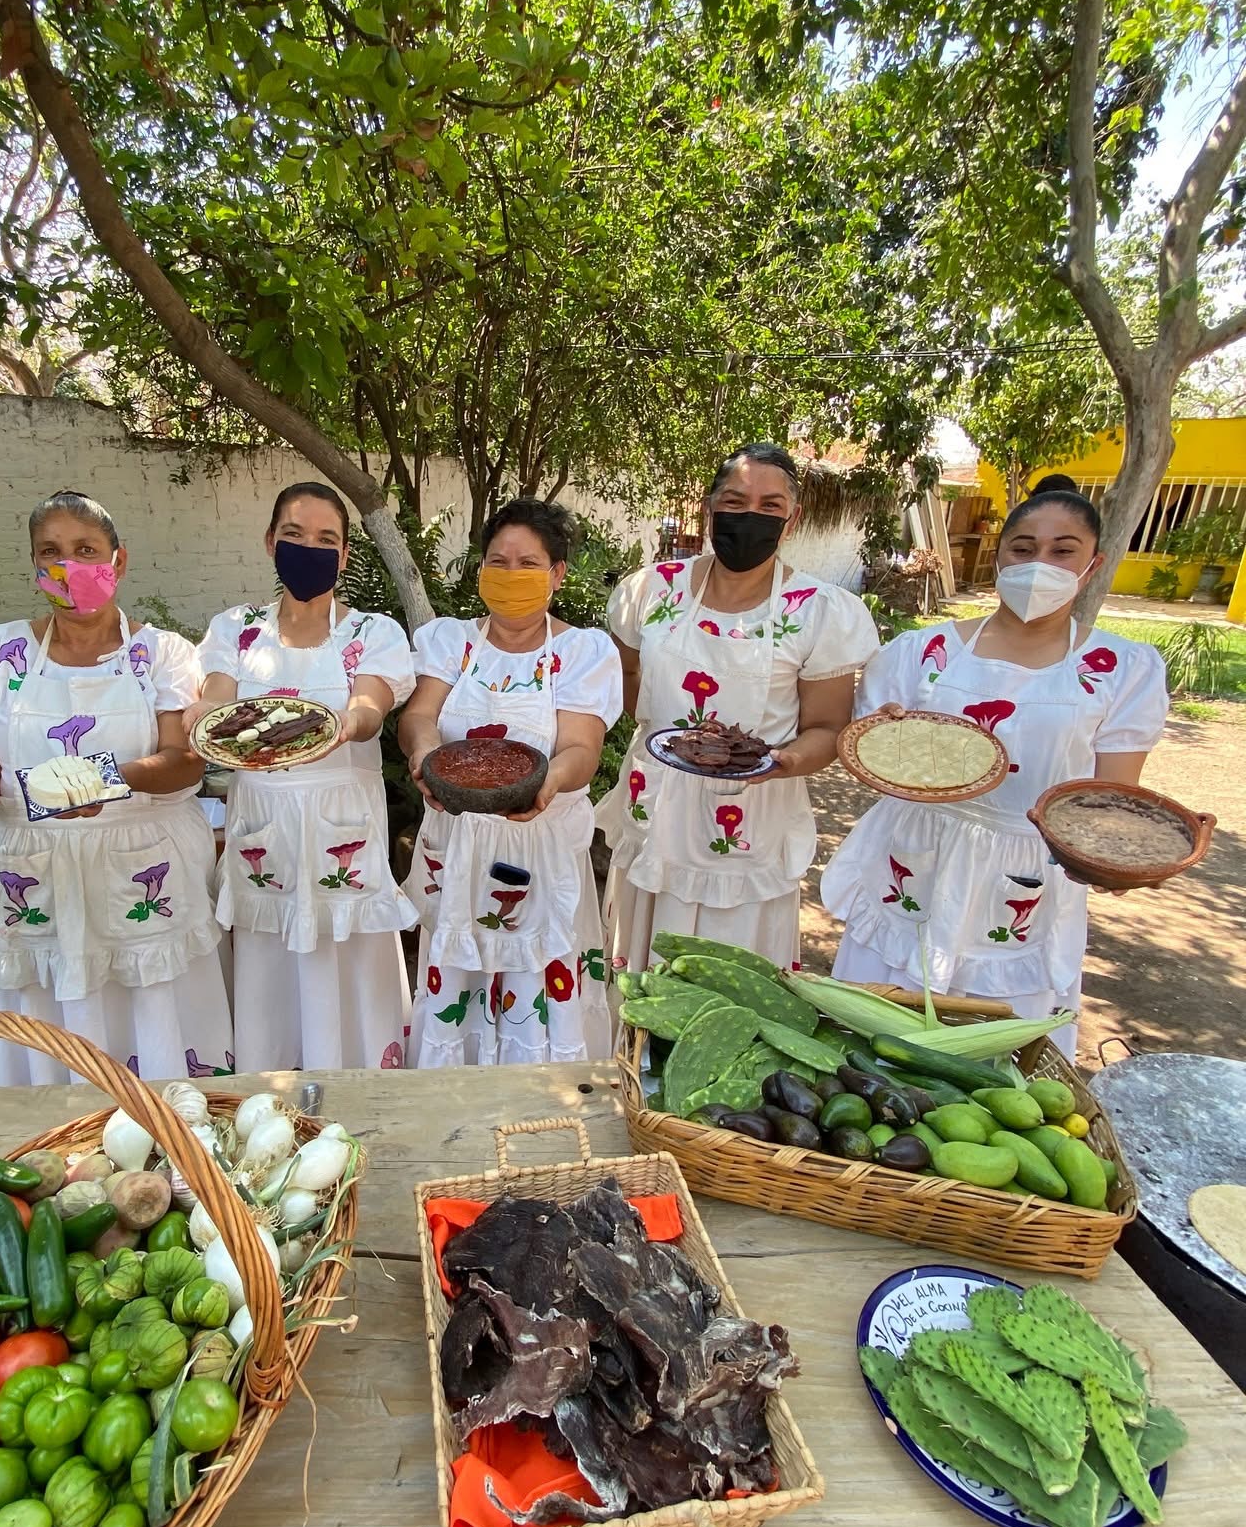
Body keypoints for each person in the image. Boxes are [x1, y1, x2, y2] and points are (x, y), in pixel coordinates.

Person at [822, 473, 1169, 1054]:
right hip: (915, 855)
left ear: (1093, 563)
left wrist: (1110, 862)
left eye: (1064, 552)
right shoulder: (920, 654)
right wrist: (884, 735)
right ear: (1001, 556)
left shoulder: (1122, 669)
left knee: (995, 1056)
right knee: (878, 1037)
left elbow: (1113, 798)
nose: (1041, 565)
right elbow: (871, 751)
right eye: (1024, 549)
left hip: (1028, 871)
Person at [0, 490, 232, 1086]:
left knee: (154, 1021)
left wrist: (98, 781)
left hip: (144, 863)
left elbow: (185, 762)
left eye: (85, 551)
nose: (68, 566)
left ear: (117, 562)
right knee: (55, 1032)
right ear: (33, 567)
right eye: (50, 553)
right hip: (36, 874)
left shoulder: (161, 654)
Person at [600, 443, 879, 974]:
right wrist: (672, 741)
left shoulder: (822, 612)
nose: (751, 516)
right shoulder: (649, 591)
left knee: (731, 983)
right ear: (708, 507)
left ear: (792, 521)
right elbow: (628, 677)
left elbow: (826, 727)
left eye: (770, 506)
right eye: (735, 499)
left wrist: (783, 762)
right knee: (642, 978)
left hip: (750, 818)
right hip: (655, 807)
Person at [193, 482, 416, 1071]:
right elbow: (216, 701)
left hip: (343, 828)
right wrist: (199, 719)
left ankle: (368, 1091)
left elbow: (371, 707)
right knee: (270, 971)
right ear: (270, 542)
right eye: (293, 535)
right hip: (264, 831)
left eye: (326, 540)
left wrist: (349, 722)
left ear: (344, 556)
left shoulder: (373, 633)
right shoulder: (235, 630)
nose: (309, 549)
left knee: (349, 971)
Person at [398, 498, 622, 1064]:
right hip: (458, 846)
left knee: (535, 981)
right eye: (498, 561)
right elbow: (421, 717)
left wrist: (547, 786)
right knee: (458, 987)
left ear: (558, 574)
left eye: (528, 564)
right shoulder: (451, 641)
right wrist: (425, 754)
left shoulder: (581, 651)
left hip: (540, 845)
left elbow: (581, 747)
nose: (511, 575)